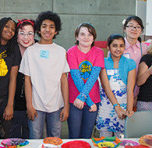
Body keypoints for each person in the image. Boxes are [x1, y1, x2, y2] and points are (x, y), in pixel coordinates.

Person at [19, 11, 70, 139]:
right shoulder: (30, 52)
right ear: (39, 30)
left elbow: (64, 80)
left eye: (52, 27)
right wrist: (29, 105)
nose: (48, 29)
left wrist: (66, 106)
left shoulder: (61, 51)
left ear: (56, 31)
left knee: (55, 139)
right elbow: (27, 81)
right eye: (44, 26)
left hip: (57, 105)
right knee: (35, 139)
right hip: (36, 105)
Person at [67, 23, 104, 139]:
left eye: (90, 34)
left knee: (87, 136)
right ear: (77, 37)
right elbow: (75, 76)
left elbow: (93, 77)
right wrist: (86, 100)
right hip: (75, 99)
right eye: (82, 34)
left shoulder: (98, 52)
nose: (86, 37)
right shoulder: (71, 52)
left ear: (93, 38)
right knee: (74, 135)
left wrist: (86, 99)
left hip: (93, 99)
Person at [96, 34, 136, 138]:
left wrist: (129, 110)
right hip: (106, 105)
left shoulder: (130, 63)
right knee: (104, 141)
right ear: (108, 47)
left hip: (123, 106)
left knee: (122, 140)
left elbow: (130, 89)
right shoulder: (103, 62)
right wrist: (116, 107)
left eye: (121, 46)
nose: (118, 49)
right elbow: (106, 87)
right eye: (114, 45)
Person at [10, 19, 35, 138]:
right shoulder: (9, 49)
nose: (26, 37)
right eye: (22, 33)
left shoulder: (39, 50)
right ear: (16, 35)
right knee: (12, 138)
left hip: (34, 104)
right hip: (12, 104)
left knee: (30, 137)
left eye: (30, 33)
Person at [123, 16, 148, 108]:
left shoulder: (145, 48)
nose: (134, 29)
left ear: (141, 30)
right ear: (125, 29)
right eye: (131, 26)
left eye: (137, 27)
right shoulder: (118, 46)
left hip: (139, 93)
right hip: (120, 92)